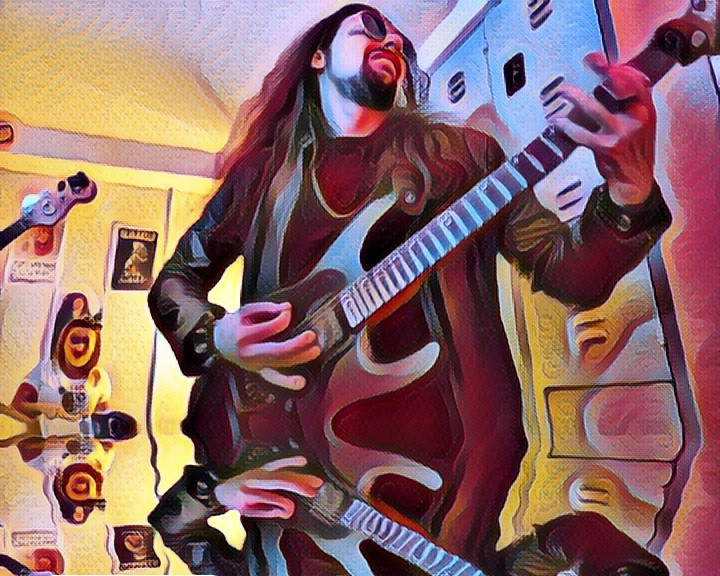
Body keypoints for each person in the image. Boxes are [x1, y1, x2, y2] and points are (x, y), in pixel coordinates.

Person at [147, 5, 671, 576]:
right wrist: (214, 337)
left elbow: (572, 273)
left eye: (399, 37)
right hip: (461, 524)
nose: (393, 39)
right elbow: (176, 285)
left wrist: (629, 189)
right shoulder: (258, 181)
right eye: (372, 27)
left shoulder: (461, 159)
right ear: (317, 56)